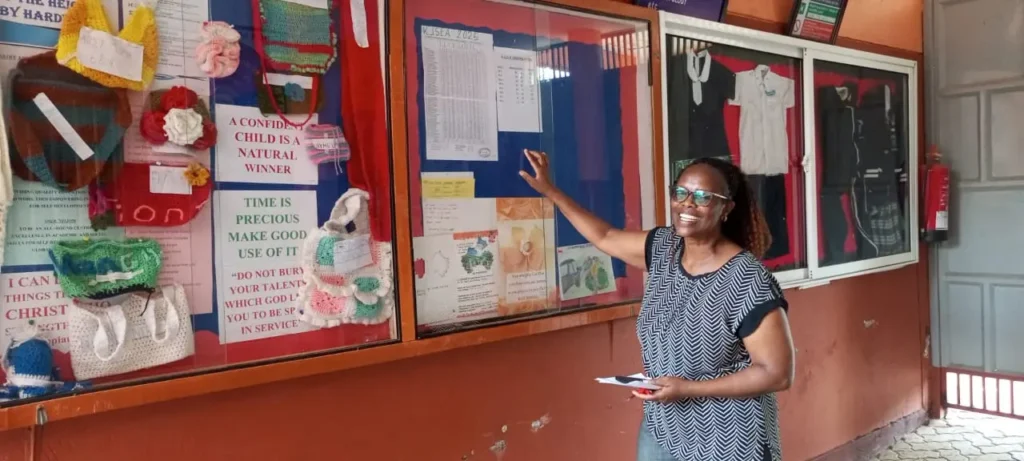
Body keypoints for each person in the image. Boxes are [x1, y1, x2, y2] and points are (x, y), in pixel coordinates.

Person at [519, 150, 795, 461]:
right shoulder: (665, 247)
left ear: (725, 208)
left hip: (727, 439)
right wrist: (550, 190)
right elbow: (606, 236)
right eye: (681, 193)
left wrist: (687, 389)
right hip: (663, 429)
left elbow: (776, 373)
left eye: (703, 197)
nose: (687, 204)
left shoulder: (747, 279)